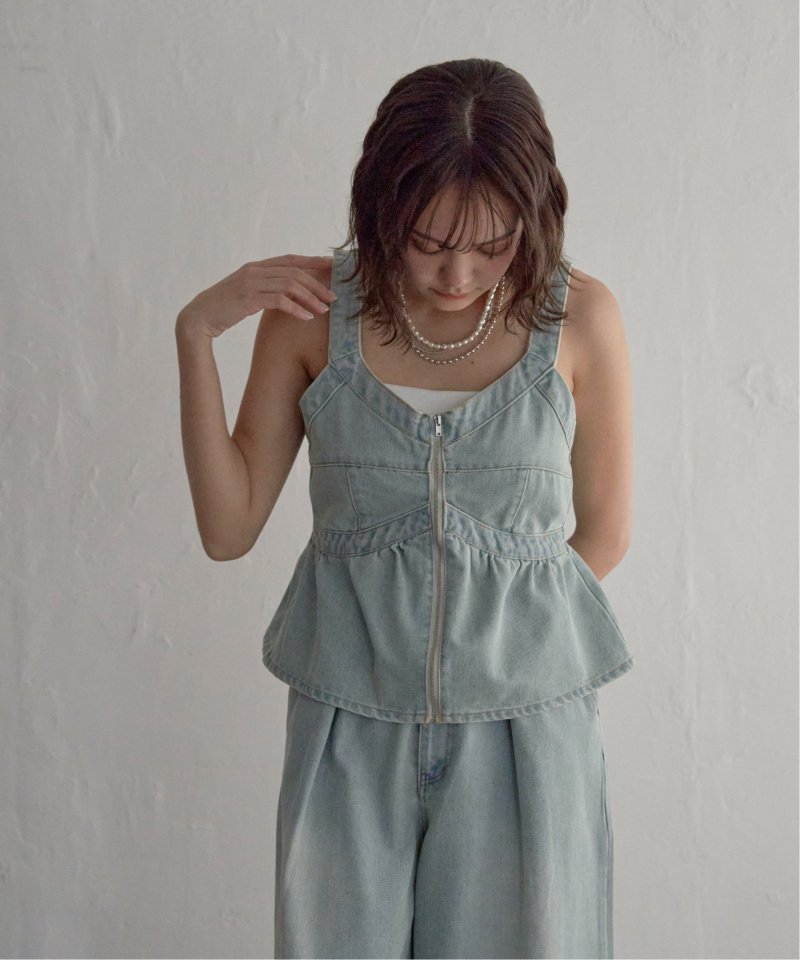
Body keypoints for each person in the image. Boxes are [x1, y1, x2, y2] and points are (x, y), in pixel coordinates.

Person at [176, 58, 634, 960]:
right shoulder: (311, 314)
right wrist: (195, 335)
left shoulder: (580, 317)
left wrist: (496, 650)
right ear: (381, 207)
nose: (458, 272)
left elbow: (606, 533)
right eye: (426, 241)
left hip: (525, 730)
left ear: (534, 218)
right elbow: (228, 532)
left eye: (493, 245)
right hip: (348, 723)